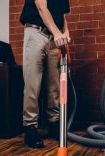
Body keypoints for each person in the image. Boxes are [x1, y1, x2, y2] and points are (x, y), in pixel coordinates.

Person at [19, 0, 71, 148]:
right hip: (36, 33)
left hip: (55, 38)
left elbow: (62, 16)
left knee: (55, 85)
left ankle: (54, 123)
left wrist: (65, 32)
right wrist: (57, 33)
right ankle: (30, 127)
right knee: (32, 83)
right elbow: (42, 8)